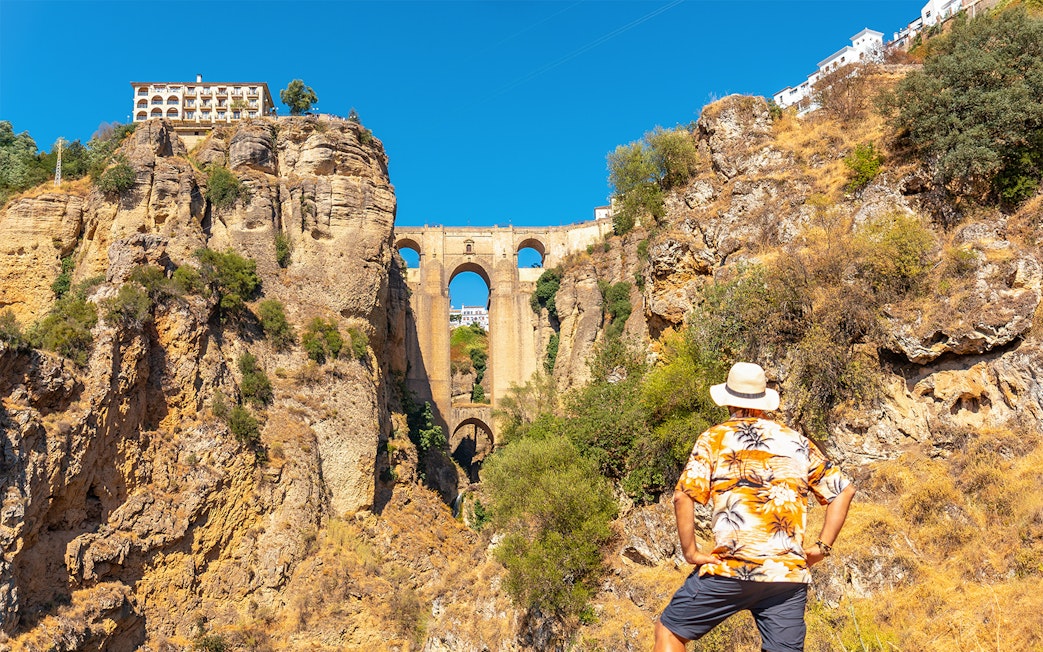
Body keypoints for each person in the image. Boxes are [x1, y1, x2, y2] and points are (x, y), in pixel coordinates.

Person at [653, 362, 856, 652]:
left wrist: (692, 553)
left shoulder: (714, 438)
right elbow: (843, 491)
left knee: (669, 632)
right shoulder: (797, 442)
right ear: (764, 403)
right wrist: (821, 548)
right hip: (786, 576)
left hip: (731, 569)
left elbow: (683, 496)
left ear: (728, 401)